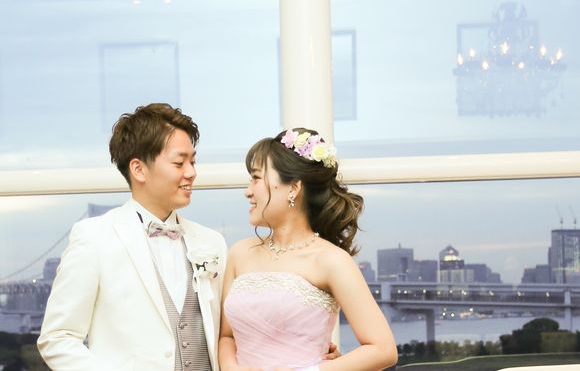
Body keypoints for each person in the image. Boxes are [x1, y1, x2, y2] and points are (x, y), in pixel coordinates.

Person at [38, 103, 227, 371]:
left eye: (193, 161)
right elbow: (57, 338)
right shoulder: (94, 237)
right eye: (179, 162)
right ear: (138, 169)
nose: (191, 172)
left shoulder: (212, 242)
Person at [218, 128, 398, 371]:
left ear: (293, 188)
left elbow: (383, 350)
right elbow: (226, 336)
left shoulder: (332, 260)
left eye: (256, 178)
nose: (248, 191)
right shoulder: (240, 253)